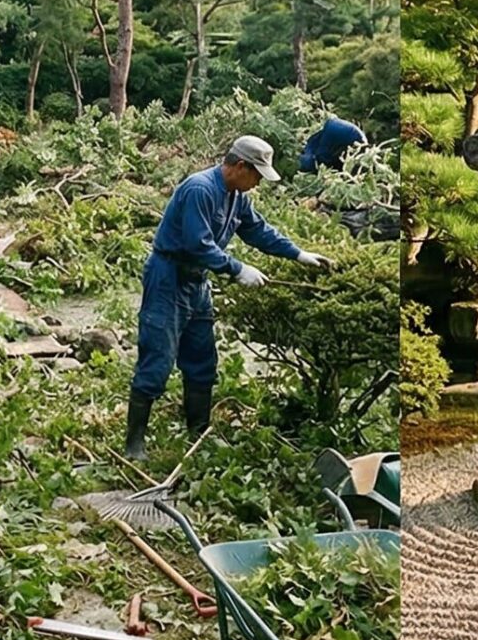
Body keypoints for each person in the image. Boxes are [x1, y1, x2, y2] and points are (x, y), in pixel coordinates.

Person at [125, 135, 331, 458]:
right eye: (257, 176)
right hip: (169, 277)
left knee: (202, 360)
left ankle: (197, 435)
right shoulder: (200, 190)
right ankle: (134, 444)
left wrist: (298, 254)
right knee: (157, 358)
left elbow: (259, 231)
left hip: (198, 282)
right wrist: (237, 269)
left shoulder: (237, 196)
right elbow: (198, 244)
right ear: (239, 166)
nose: (258, 183)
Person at [297, 115, 367, 174]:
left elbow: (321, 160)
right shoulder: (314, 143)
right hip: (340, 128)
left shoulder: (315, 148)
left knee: (321, 159)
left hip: (339, 131)